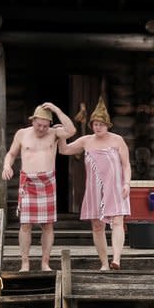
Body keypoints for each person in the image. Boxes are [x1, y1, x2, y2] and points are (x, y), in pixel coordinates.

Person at [58, 97, 131, 270]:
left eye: (101, 124)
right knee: (97, 226)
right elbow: (64, 150)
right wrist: (60, 136)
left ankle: (117, 259)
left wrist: (127, 183)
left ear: (108, 125)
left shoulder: (117, 140)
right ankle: (104, 263)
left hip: (115, 187)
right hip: (94, 189)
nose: (97, 127)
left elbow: (126, 165)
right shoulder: (86, 141)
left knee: (117, 220)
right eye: (95, 124)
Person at [2, 102, 76, 272]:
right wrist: (7, 166)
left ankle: (45, 262)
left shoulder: (55, 133)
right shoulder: (22, 134)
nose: (41, 128)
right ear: (33, 120)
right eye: (38, 124)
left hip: (47, 181)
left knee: (48, 225)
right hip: (28, 182)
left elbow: (72, 130)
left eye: (45, 125)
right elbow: (11, 154)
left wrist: (57, 109)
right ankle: (25, 262)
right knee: (26, 224)